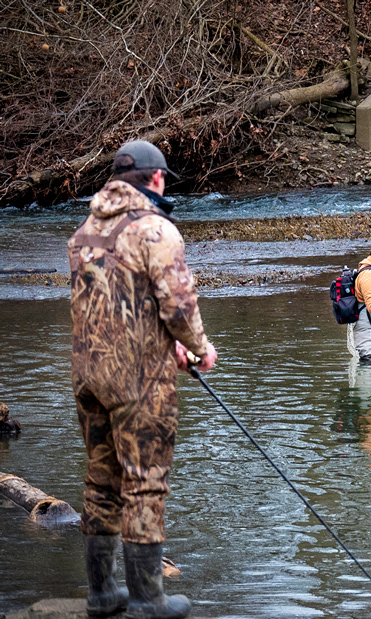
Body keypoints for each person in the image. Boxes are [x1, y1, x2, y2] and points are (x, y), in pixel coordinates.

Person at [69, 140, 217, 619]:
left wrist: (160, 339)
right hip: (137, 384)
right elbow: (178, 305)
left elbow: (113, 307)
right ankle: (148, 601)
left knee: (101, 482)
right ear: (156, 180)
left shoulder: (84, 232)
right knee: (145, 484)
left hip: (89, 377)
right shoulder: (156, 229)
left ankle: (101, 595)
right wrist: (197, 348)